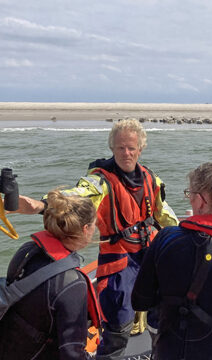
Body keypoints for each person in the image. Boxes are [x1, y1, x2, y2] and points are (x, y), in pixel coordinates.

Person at [13, 119, 178, 359]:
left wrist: (183, 234)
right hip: (119, 261)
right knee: (118, 324)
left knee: (160, 315)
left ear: (140, 149)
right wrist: (42, 205)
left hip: (150, 256)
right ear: (112, 148)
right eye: (120, 147)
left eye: (131, 148)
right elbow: (77, 197)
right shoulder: (100, 181)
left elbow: (163, 213)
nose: (126, 153)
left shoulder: (152, 179)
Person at [132, 162, 212, 360]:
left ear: (201, 200)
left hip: (168, 350)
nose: (189, 199)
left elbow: (140, 300)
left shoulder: (166, 237)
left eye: (190, 194)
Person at [0, 190, 100, 359]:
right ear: (85, 229)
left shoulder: (27, 251)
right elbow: (71, 352)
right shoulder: (72, 284)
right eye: (94, 225)